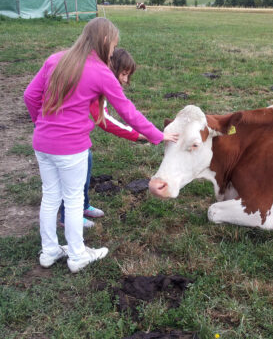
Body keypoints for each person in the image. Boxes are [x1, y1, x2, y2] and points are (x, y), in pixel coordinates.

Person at [24, 17, 178, 273]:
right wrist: (157, 135)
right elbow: (128, 112)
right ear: (105, 41)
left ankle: (49, 250)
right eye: (114, 44)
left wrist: (40, 123)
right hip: (71, 148)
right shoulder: (100, 71)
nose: (113, 50)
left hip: (42, 143)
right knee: (73, 200)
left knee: (50, 196)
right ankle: (77, 255)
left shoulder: (55, 59)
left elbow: (30, 95)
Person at [58, 48, 145, 229]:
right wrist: (137, 135)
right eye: (123, 74)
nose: (125, 80)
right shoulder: (97, 81)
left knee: (86, 163)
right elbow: (103, 119)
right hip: (63, 134)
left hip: (74, 133)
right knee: (71, 176)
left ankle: (82, 206)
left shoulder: (97, 78)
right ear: (112, 68)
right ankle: (68, 217)